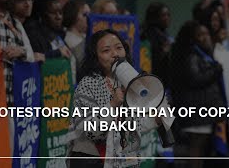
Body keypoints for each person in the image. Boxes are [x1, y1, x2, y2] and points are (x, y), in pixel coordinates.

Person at [68, 29, 166, 168]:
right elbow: (87, 130)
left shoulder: (127, 81)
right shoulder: (88, 83)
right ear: (95, 57)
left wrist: (154, 120)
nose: (115, 54)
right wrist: (112, 105)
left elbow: (130, 126)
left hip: (121, 160)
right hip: (92, 159)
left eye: (119, 48)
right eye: (106, 50)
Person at [170, 21, 227, 168]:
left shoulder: (203, 54)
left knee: (201, 148)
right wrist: (215, 70)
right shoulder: (191, 56)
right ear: (192, 38)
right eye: (200, 35)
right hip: (196, 111)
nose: (205, 37)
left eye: (206, 34)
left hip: (203, 110)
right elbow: (196, 79)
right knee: (196, 147)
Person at [141, 2, 173, 85]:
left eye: (168, 15)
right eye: (163, 15)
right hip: (153, 80)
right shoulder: (149, 34)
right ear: (155, 17)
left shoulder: (163, 33)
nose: (167, 18)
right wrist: (165, 51)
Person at [63, 0, 91, 84]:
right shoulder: (69, 41)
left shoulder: (86, 37)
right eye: (85, 15)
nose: (90, 18)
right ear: (74, 16)